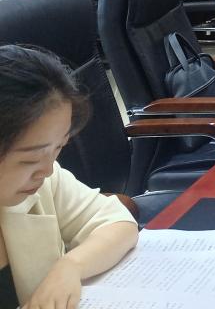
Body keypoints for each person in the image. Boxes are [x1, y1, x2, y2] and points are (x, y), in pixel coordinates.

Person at [0, 45, 138, 309]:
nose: (48, 171)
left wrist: (71, 266)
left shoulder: (43, 183)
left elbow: (117, 222)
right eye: (30, 159)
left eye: (59, 148)